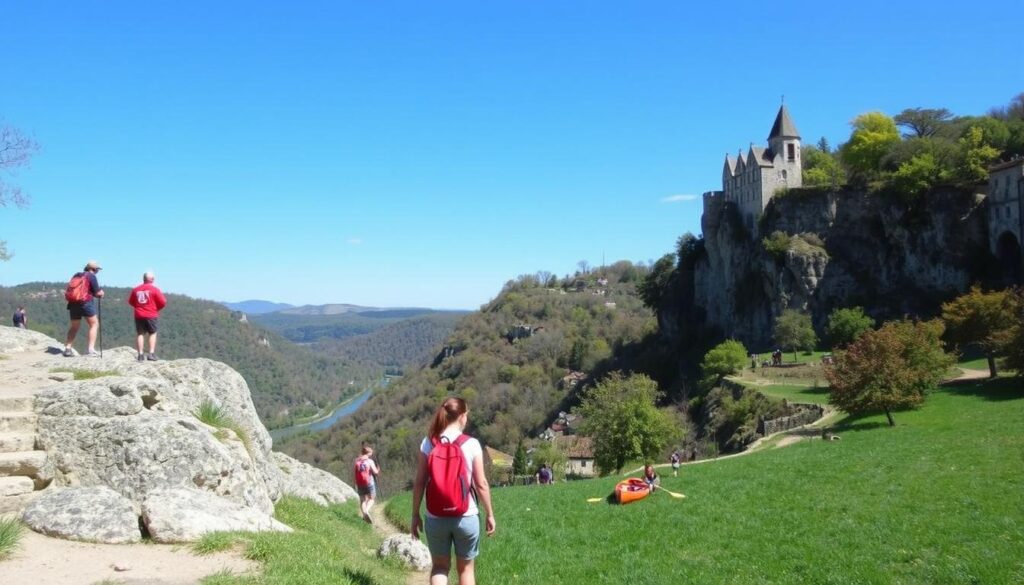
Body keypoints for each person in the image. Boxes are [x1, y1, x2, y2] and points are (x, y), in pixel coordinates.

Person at [412, 397, 496, 585]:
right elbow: (481, 483)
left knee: (440, 568)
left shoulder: (428, 443)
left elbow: (419, 482)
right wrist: (490, 513)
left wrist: (415, 514)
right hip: (466, 516)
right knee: (466, 570)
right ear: (463, 416)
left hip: (435, 516)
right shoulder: (472, 444)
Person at [64, 260, 105, 357]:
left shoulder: (77, 275)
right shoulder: (91, 276)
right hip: (85, 303)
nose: (97, 271)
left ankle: (68, 348)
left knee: (74, 327)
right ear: (94, 269)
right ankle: (90, 349)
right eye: (97, 269)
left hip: (73, 303)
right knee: (94, 324)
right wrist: (101, 293)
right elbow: (97, 292)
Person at [128, 271, 168, 362]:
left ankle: (140, 355)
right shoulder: (154, 289)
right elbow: (163, 302)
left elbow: (131, 301)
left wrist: (138, 307)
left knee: (140, 334)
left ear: (143, 279)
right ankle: (151, 354)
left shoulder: (136, 289)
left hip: (139, 314)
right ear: (152, 279)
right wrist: (156, 308)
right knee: (152, 333)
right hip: (151, 314)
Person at [353, 444, 380, 523]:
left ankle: (364, 514)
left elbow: (354, 473)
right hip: (369, 482)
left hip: (359, 483)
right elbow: (375, 472)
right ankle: (366, 512)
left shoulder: (356, 461)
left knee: (362, 500)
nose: (372, 454)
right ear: (368, 453)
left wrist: (354, 483)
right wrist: (378, 470)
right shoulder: (369, 461)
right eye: (371, 452)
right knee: (372, 498)